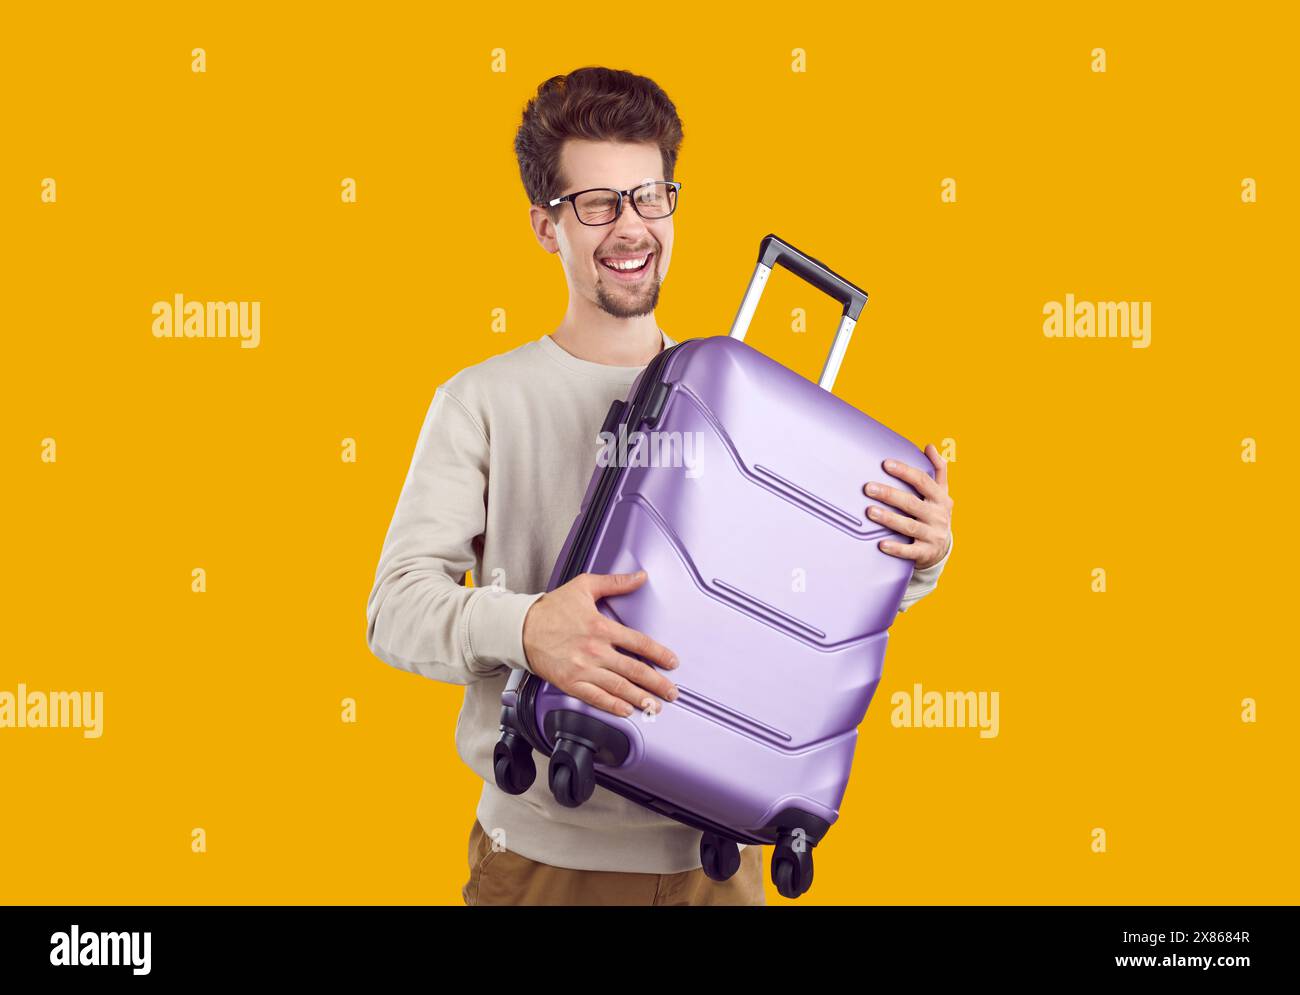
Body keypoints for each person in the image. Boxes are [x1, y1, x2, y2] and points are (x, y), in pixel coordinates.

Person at [365, 66, 954, 906]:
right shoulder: (481, 400)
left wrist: (916, 556)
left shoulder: (745, 407)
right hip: (546, 862)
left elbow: (783, 620)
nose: (630, 227)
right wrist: (526, 625)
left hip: (722, 860)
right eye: (597, 203)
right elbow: (394, 609)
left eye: (649, 196)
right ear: (546, 226)